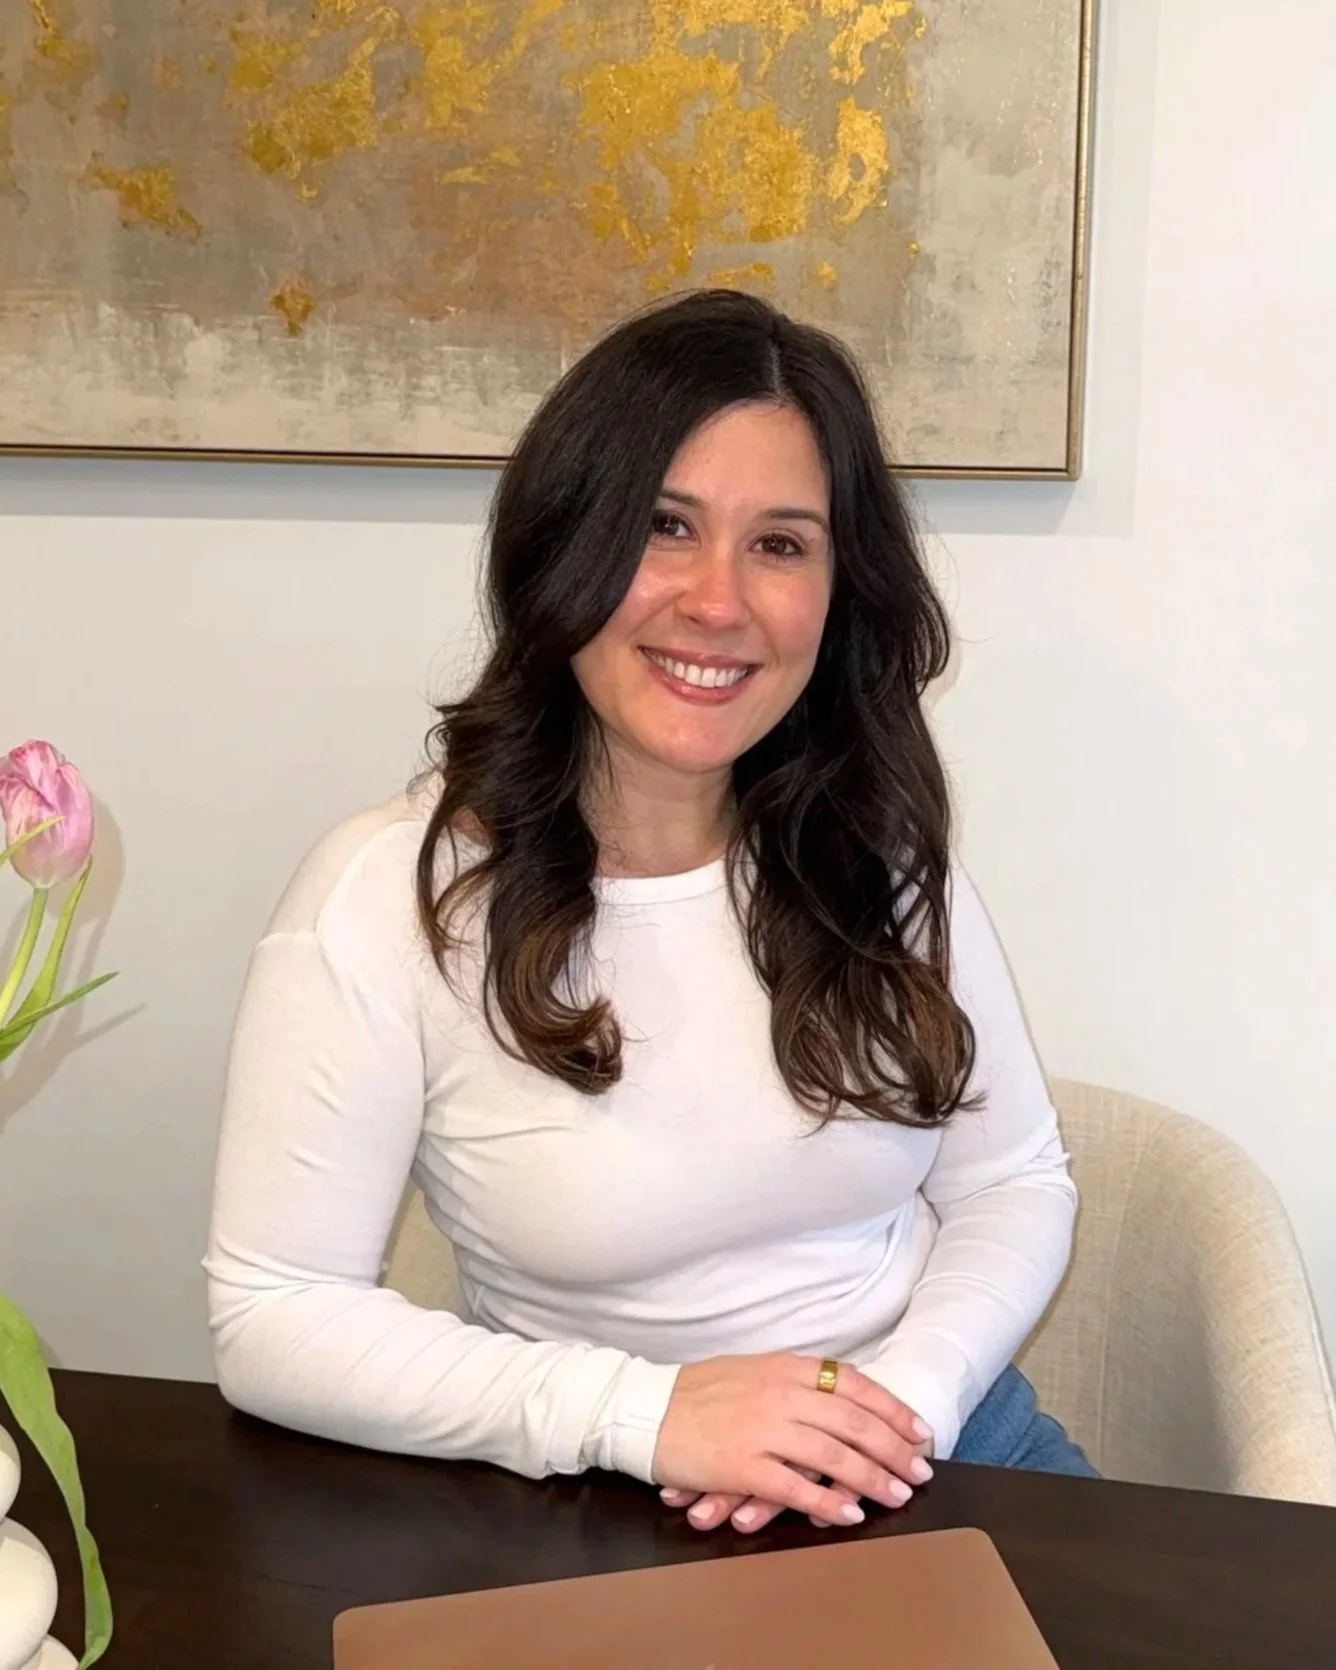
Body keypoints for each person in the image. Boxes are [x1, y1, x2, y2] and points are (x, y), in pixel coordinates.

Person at [206, 288, 1095, 1541]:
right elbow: (275, 1309)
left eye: (780, 543)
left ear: (840, 590)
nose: (717, 601)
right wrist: (644, 1413)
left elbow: (1014, 1180)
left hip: (940, 1446)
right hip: (601, 1490)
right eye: (666, 526)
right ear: (566, 543)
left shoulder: (876, 851)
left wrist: (895, 1406)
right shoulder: (385, 897)